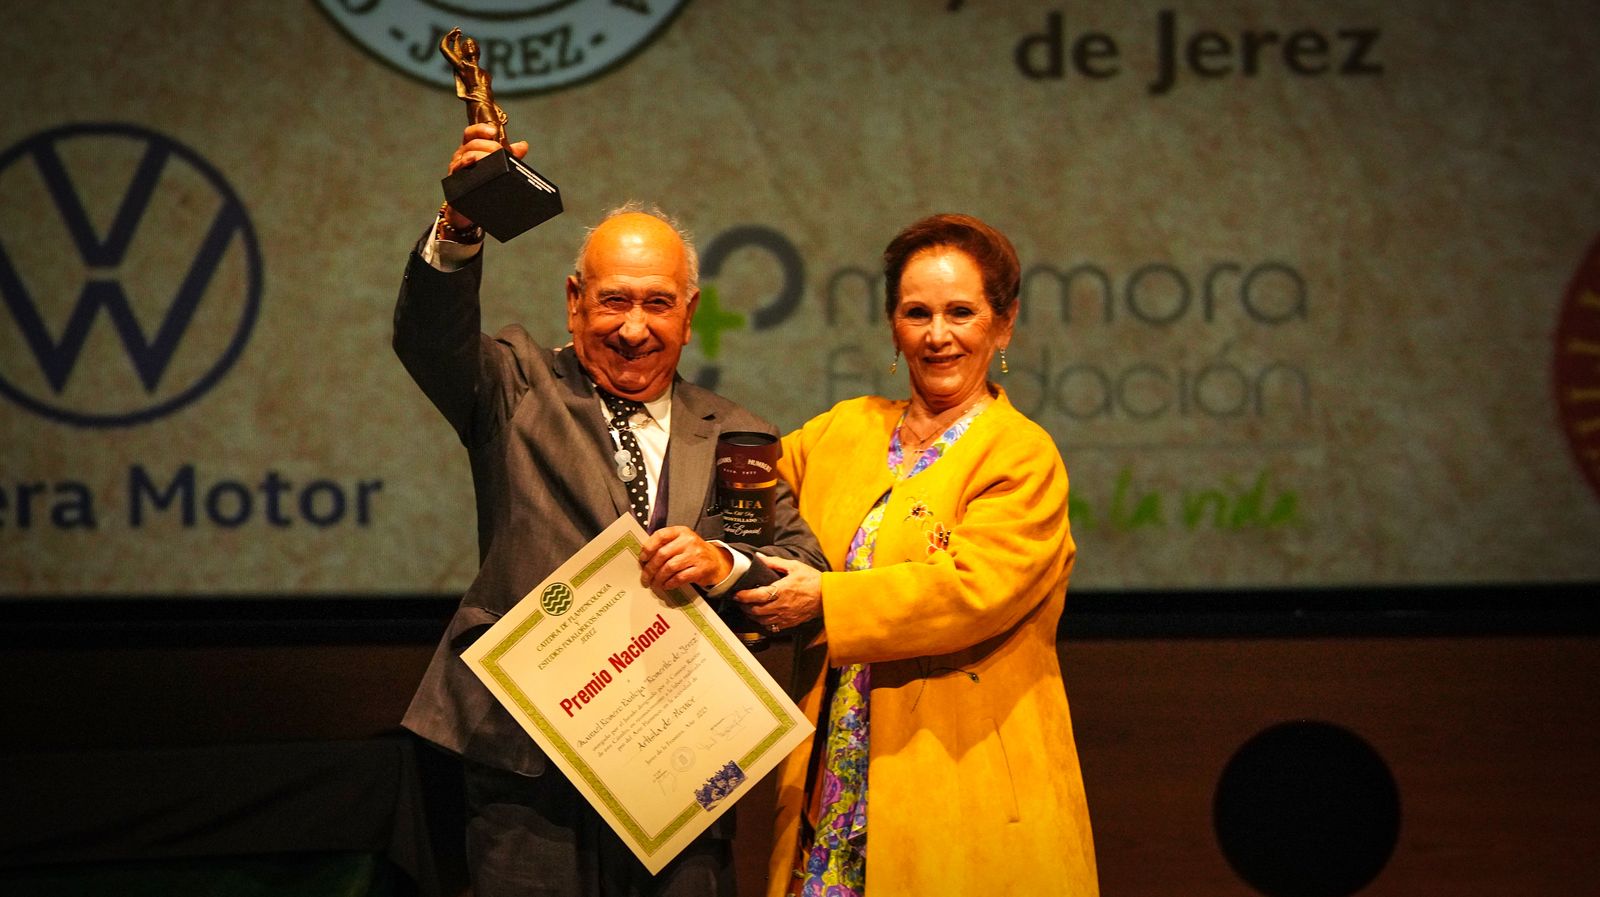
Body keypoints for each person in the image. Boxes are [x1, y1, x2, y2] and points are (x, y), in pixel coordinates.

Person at [395, 123, 826, 897]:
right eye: (614, 301)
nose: (634, 328)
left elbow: (802, 575)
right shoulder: (515, 385)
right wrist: (462, 221)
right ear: (573, 302)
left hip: (677, 767)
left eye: (657, 304)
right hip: (529, 769)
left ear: (690, 314)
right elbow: (429, 336)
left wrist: (726, 563)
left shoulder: (736, 434)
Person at [734, 214, 1098, 896]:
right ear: (892, 325)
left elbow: (970, 591)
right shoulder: (846, 429)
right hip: (836, 774)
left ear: (1003, 324)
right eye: (916, 313)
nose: (938, 335)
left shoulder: (1021, 454)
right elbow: (746, 494)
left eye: (961, 312)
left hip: (966, 787)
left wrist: (825, 598)